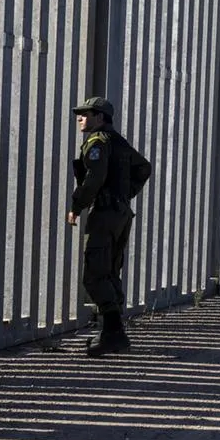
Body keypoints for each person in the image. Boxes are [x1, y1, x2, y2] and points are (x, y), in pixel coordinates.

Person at [68, 96, 152, 357]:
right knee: (110, 270)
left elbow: (94, 177)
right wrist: (124, 195)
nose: (81, 118)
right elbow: (144, 168)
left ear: (101, 118)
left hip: (105, 214)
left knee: (94, 274)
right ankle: (112, 333)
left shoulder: (98, 142)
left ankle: (114, 334)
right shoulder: (120, 142)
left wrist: (77, 205)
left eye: (87, 113)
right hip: (121, 213)